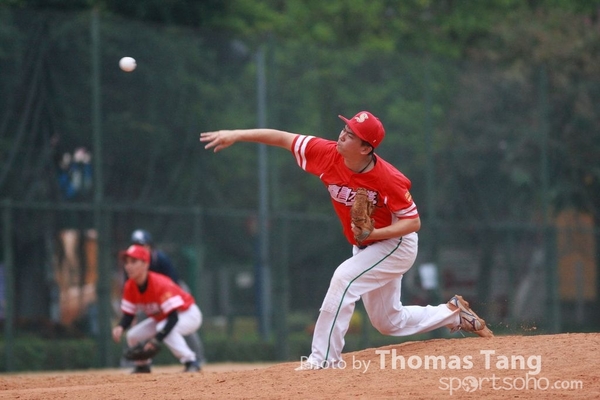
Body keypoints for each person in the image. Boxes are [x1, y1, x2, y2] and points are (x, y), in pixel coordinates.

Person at [200, 111, 493, 371]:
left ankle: (323, 359)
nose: (342, 135)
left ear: (366, 148)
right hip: (367, 246)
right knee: (388, 322)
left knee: (344, 279)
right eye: (345, 129)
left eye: (351, 135)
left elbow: (413, 222)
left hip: (396, 244)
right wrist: (237, 134)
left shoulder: (388, 178)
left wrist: (374, 235)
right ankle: (453, 314)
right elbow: (283, 138)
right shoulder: (326, 153)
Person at [112, 244, 203, 373]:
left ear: (145, 264)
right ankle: (143, 366)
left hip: (188, 314)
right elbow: (129, 315)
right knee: (132, 335)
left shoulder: (160, 284)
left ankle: (191, 361)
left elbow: (173, 318)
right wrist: (121, 326)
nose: (128, 266)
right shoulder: (130, 286)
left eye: (133, 261)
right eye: (126, 262)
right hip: (164, 318)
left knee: (162, 328)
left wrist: (156, 340)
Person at [129, 229, 207, 367]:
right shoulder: (132, 264)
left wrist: (165, 302)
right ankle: (139, 362)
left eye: (142, 245)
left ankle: (197, 357)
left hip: (172, 291)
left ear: (150, 246)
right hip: (151, 297)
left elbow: (173, 284)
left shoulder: (160, 259)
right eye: (135, 245)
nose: (139, 248)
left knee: (181, 324)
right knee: (138, 328)